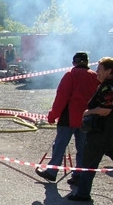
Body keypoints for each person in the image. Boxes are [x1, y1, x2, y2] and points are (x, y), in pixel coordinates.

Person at [35, 52, 99, 185]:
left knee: (59, 146)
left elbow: (61, 97)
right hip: (87, 118)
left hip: (68, 117)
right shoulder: (95, 76)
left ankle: (52, 171)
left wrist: (52, 115)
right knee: (82, 149)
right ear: (87, 62)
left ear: (74, 62)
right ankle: (79, 175)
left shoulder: (70, 74)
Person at [67, 57, 113, 202]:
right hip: (107, 131)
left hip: (101, 131)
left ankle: (82, 193)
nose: (97, 72)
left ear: (109, 71)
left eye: (100, 70)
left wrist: (88, 112)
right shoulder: (105, 85)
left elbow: (105, 110)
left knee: (89, 161)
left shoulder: (108, 88)